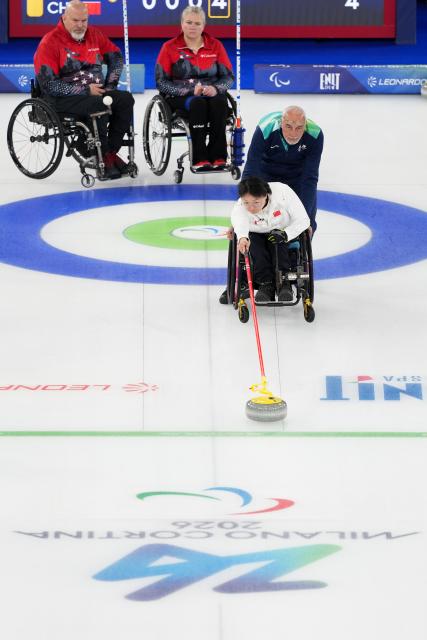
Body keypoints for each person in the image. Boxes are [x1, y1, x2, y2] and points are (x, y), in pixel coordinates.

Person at [34, 0, 134, 180]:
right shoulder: (49, 42)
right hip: (62, 98)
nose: (81, 25)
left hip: (96, 92)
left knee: (126, 99)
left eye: (84, 21)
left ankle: (110, 152)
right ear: (64, 18)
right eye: (75, 20)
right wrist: (84, 90)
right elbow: (49, 85)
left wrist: (110, 86)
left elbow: (116, 58)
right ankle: (102, 156)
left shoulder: (94, 35)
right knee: (99, 104)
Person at [155, 5, 234, 171]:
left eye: (197, 23)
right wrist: (191, 91)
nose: (193, 26)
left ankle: (219, 156)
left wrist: (216, 88)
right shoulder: (169, 47)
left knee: (219, 103)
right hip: (182, 96)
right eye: (189, 22)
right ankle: (200, 157)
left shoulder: (215, 46)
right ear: (182, 24)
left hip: (211, 93)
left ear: (203, 26)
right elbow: (161, 82)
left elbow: (228, 77)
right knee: (198, 103)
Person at [242, 106, 323, 233]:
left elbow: (310, 178)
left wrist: (305, 218)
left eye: (299, 128)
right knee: (258, 219)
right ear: (281, 123)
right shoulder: (265, 128)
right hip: (266, 175)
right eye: (288, 126)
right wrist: (244, 208)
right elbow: (251, 167)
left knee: (308, 221)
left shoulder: (315, 134)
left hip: (297, 177)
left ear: (305, 125)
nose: (293, 134)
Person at [229, 177, 310, 303]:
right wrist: (242, 237)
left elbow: (303, 219)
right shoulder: (240, 205)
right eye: (246, 203)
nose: (250, 208)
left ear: (265, 195)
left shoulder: (283, 193)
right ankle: (266, 284)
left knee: (278, 244)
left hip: (281, 229)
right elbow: (239, 223)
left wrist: (286, 234)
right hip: (255, 231)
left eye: (256, 202)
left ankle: (284, 283)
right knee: (255, 247)